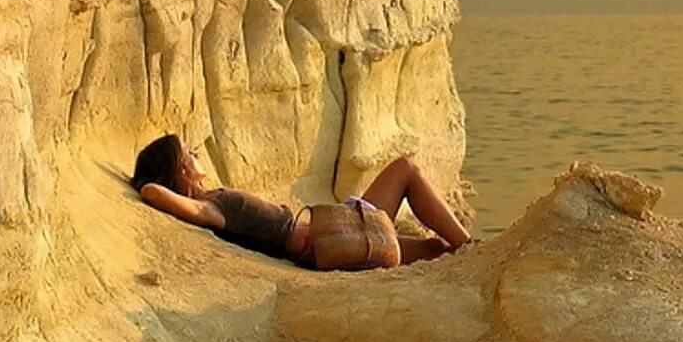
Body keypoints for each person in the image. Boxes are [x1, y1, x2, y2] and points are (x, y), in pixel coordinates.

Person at [130, 134, 471, 267]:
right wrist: (150, 186)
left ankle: (465, 253)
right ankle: (471, 246)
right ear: (179, 169)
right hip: (329, 238)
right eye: (187, 153)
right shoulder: (211, 207)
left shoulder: (214, 198)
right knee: (405, 170)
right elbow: (157, 194)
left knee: (434, 249)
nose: (195, 151)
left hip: (332, 231)